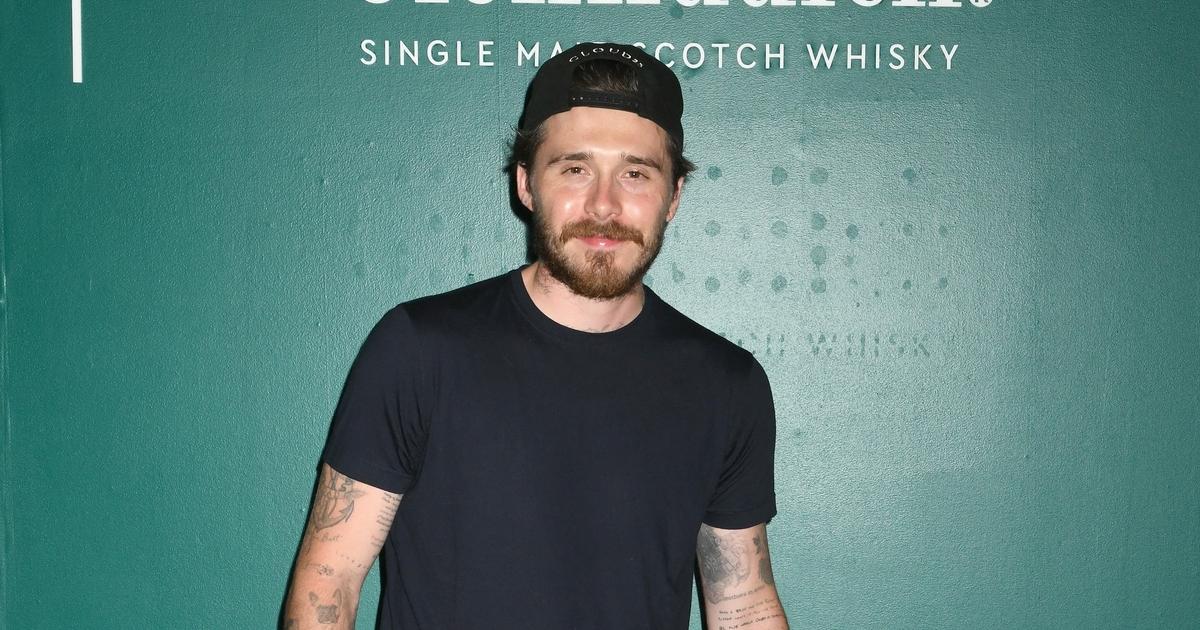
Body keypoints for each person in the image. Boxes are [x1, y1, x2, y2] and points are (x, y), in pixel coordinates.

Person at [282, 42, 787, 630]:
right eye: (574, 169)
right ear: (526, 184)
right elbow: (330, 581)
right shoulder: (420, 350)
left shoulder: (727, 384)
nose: (604, 205)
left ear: (673, 195)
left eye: (635, 173)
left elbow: (744, 603)